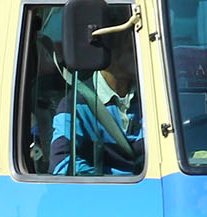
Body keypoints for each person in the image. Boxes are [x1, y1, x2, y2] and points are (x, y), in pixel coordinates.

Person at [51, 25, 144, 176]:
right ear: (108, 54)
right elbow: (61, 165)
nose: (140, 55)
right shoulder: (75, 105)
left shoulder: (152, 98)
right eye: (131, 49)